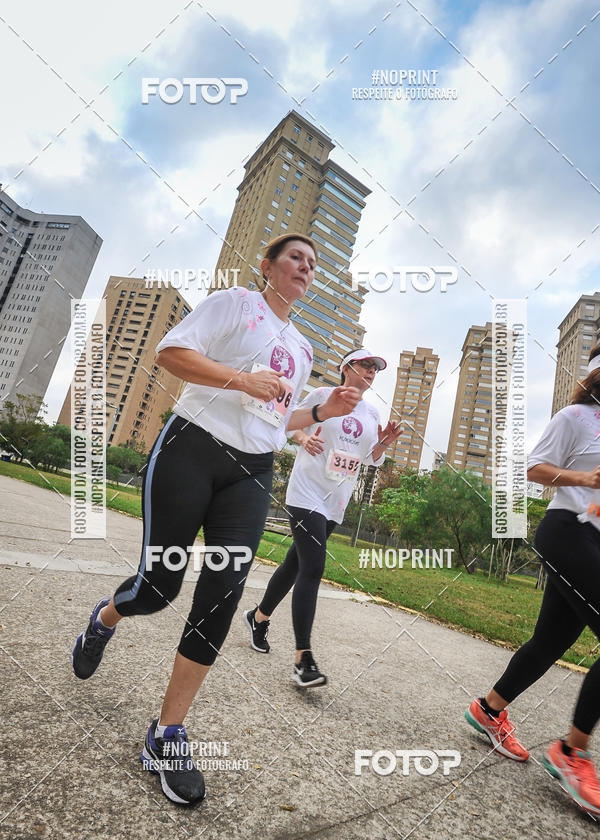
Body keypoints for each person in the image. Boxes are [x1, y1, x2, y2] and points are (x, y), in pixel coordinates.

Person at [71, 234, 361, 805]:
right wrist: (241, 378)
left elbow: (278, 419)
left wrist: (323, 410)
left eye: (313, 261)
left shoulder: (303, 348)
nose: (306, 266)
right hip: (191, 449)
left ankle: (167, 734)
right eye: (296, 257)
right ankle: (105, 618)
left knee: (224, 593)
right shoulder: (235, 304)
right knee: (157, 589)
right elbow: (171, 355)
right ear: (268, 266)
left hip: (251, 471)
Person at [465, 344, 600, 816]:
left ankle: (489, 708)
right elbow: (533, 468)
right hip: (567, 532)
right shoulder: (576, 416)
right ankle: (571, 751)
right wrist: (586, 478)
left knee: (549, 643)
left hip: (595, 541)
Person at [243, 348, 402, 687]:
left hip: (336, 500)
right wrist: (304, 438)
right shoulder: (322, 395)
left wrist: (384, 443)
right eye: (365, 365)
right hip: (306, 492)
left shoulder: (371, 412)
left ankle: (258, 617)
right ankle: (304, 659)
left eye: (375, 368)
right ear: (347, 368)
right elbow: (287, 423)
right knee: (313, 567)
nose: (371, 371)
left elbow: (371, 459)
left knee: (295, 565)